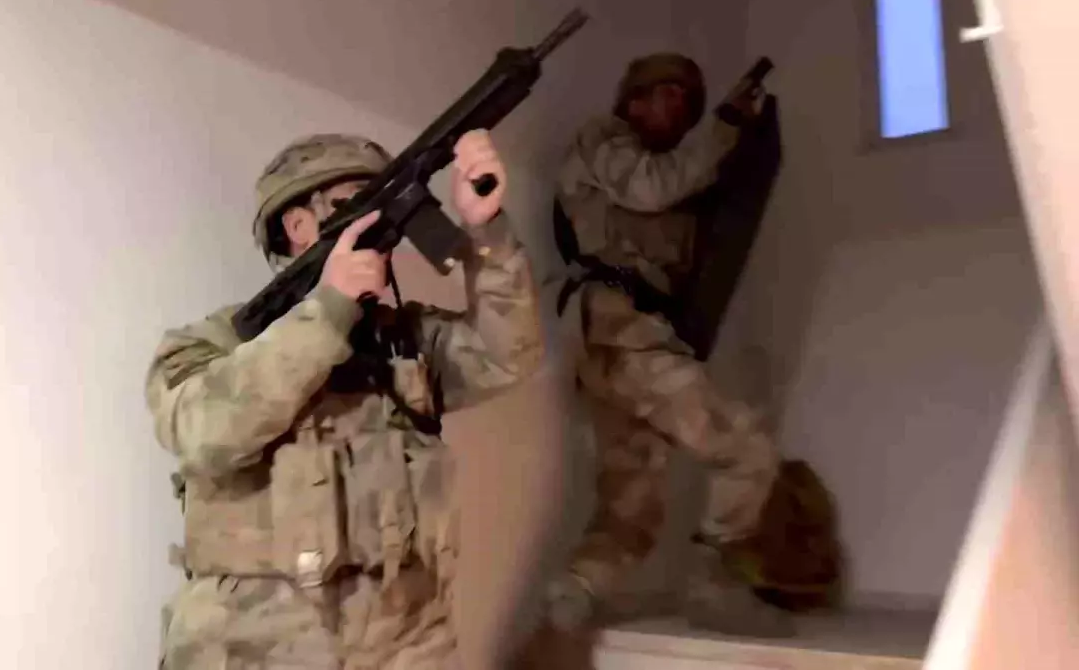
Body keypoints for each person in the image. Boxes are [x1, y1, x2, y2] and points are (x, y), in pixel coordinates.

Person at [146, 130, 544, 669]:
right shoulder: (214, 344)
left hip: (409, 640)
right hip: (256, 649)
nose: (381, 227)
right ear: (297, 227)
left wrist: (487, 232)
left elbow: (506, 355)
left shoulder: (400, 338)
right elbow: (204, 434)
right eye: (356, 206)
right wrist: (330, 310)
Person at [544, 53, 795, 639]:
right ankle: (712, 586)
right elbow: (652, 187)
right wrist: (724, 125)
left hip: (627, 340)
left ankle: (572, 598)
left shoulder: (682, 179)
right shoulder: (604, 141)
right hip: (621, 332)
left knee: (632, 505)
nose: (679, 109)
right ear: (633, 99)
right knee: (745, 447)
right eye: (668, 94)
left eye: (689, 102)